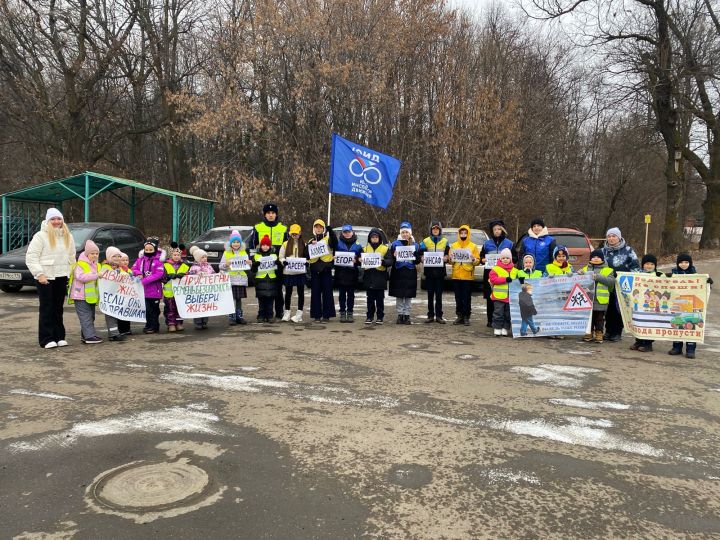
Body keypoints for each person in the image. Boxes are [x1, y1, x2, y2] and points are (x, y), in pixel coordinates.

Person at [25, 208, 76, 349]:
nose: (56, 222)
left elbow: (72, 257)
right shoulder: (40, 236)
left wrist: (72, 272)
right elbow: (31, 257)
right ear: (48, 221)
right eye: (53, 219)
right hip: (45, 277)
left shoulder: (68, 236)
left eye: (58, 219)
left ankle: (59, 336)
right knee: (47, 308)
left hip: (61, 275)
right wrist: (39, 274)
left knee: (58, 308)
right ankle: (46, 338)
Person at [666, 253, 713, 359]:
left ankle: (690, 349)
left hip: (691, 307)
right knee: (678, 327)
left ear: (690, 263)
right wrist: (666, 278)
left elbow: (703, 290)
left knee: (691, 329)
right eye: (681, 262)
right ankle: (677, 347)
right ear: (678, 264)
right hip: (678, 306)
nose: (683, 264)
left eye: (686, 262)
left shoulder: (695, 275)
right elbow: (663, 284)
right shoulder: (673, 274)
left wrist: (708, 283)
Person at [248, 203, 288, 319]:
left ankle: (279, 312)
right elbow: (252, 245)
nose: (271, 215)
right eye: (268, 213)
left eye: (273, 213)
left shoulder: (283, 228)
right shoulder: (258, 227)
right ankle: (263, 312)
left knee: (278, 289)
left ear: (276, 215)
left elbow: (287, 246)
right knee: (262, 290)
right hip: (261, 267)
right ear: (265, 215)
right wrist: (253, 260)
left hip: (277, 264)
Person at [602, 227, 640, 342]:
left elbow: (635, 266)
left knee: (619, 309)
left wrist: (635, 278)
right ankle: (608, 331)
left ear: (619, 237)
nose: (611, 238)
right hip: (607, 284)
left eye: (614, 236)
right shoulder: (603, 251)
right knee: (608, 309)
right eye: (609, 236)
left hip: (622, 284)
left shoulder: (628, 250)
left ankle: (617, 332)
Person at [480, 219, 514, 327]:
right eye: (495, 229)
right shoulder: (486, 243)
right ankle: (490, 320)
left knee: (504, 298)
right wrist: (482, 260)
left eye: (499, 229)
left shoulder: (509, 243)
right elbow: (481, 257)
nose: (497, 231)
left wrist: (510, 261)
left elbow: (516, 257)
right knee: (491, 297)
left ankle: (503, 321)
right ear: (492, 231)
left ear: (503, 230)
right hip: (490, 274)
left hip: (505, 275)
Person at [68, 239, 102, 344]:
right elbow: (81, 277)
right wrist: (96, 275)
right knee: (86, 316)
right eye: (92, 253)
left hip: (91, 297)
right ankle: (89, 337)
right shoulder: (80, 265)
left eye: (97, 253)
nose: (95, 255)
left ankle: (86, 335)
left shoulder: (96, 265)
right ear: (87, 254)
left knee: (91, 316)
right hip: (80, 295)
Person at [387, 221, 421, 324]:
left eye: (407, 232)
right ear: (400, 233)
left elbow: (418, 261)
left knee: (408, 295)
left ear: (410, 233)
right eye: (403, 232)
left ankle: (407, 315)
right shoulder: (394, 244)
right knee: (399, 295)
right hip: (398, 273)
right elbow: (390, 260)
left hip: (410, 273)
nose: (405, 234)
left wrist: (415, 255)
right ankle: (400, 314)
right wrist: (393, 255)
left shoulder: (415, 245)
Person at [578, 248, 615, 343]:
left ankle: (599, 333)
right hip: (587, 299)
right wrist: (579, 274)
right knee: (589, 317)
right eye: (594, 257)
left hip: (600, 300)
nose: (596, 258)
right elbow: (577, 281)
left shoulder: (608, 270)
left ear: (602, 259)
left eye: (598, 257)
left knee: (599, 318)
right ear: (590, 258)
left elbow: (611, 282)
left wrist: (597, 277)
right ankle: (588, 332)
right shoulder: (585, 269)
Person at [131, 237, 166, 334]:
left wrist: (144, 280)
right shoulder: (140, 260)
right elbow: (133, 268)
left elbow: (158, 274)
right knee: (146, 309)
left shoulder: (158, 261)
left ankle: (154, 326)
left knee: (154, 310)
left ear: (155, 249)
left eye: (151, 250)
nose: (148, 251)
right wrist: (138, 273)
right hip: (143, 291)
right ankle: (148, 324)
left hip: (154, 291)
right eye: (146, 250)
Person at [630, 254, 663, 352]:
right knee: (639, 321)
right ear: (643, 265)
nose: (649, 266)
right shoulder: (638, 275)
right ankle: (639, 340)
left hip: (652, 304)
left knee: (650, 322)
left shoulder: (659, 274)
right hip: (640, 304)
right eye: (647, 264)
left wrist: (668, 277)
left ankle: (648, 344)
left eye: (652, 264)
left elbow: (668, 282)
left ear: (655, 266)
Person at [306, 219, 337, 322]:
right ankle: (316, 315)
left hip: (326, 269)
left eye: (320, 227)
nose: (318, 229)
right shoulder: (310, 240)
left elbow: (335, 244)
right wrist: (311, 245)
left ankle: (327, 315)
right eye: (316, 227)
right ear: (314, 228)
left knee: (327, 293)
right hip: (315, 270)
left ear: (323, 229)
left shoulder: (328, 239)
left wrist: (331, 231)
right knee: (315, 293)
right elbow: (306, 254)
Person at [449, 224, 481, 326]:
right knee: (458, 297)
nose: (463, 234)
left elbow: (478, 261)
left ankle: (467, 316)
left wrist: (473, 259)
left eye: (465, 233)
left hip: (468, 275)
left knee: (466, 297)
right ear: (459, 234)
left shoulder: (473, 246)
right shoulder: (454, 245)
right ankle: (459, 316)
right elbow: (451, 261)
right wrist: (450, 258)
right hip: (456, 275)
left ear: (468, 234)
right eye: (461, 233)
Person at [420, 221, 449, 323]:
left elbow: (448, 255)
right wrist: (421, 258)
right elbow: (420, 253)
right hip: (429, 272)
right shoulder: (425, 241)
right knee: (430, 294)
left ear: (440, 230)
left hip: (440, 272)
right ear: (431, 230)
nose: (435, 230)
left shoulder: (445, 241)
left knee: (439, 295)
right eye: (433, 229)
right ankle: (430, 315)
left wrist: (447, 258)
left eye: (437, 229)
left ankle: (439, 316)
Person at [219, 231, 249, 326]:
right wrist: (226, 264)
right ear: (230, 243)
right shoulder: (226, 253)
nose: (236, 244)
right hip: (231, 279)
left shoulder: (243, 252)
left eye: (237, 242)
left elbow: (247, 267)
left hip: (241, 279)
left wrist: (249, 263)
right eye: (234, 242)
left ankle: (239, 317)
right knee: (231, 299)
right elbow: (221, 266)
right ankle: (231, 317)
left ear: (240, 243)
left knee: (239, 299)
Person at [334, 224, 363, 323]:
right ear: (342, 233)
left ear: (352, 232)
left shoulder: (358, 245)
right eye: (345, 232)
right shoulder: (337, 244)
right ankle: (342, 313)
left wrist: (358, 260)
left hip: (352, 273)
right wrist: (334, 259)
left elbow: (361, 259)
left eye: (348, 232)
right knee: (342, 294)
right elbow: (333, 256)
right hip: (341, 273)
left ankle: (350, 313)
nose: (347, 234)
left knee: (351, 295)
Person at [278, 224, 306, 323]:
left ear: (300, 233)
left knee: (300, 293)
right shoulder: (285, 244)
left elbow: (308, 257)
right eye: (293, 234)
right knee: (288, 293)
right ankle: (287, 312)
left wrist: (306, 262)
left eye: (296, 234)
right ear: (290, 234)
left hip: (300, 272)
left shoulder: (304, 244)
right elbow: (281, 256)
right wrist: (283, 261)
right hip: (288, 272)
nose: (294, 235)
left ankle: (299, 313)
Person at [101, 246, 128, 341]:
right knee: (110, 315)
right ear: (109, 257)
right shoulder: (105, 267)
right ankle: (113, 334)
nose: (117, 258)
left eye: (119, 256)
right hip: (109, 296)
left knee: (115, 314)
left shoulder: (120, 268)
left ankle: (115, 332)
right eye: (114, 256)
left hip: (117, 296)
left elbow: (125, 276)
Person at [362, 228, 389, 324]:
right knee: (370, 299)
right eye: (372, 237)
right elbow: (358, 260)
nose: (374, 238)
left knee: (380, 300)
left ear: (379, 238)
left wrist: (383, 262)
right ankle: (369, 316)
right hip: (369, 277)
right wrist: (359, 260)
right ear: (370, 238)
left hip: (380, 277)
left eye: (376, 237)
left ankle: (380, 317)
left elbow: (390, 261)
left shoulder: (385, 248)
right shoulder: (365, 249)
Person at [489, 248, 517, 337]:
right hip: (499, 296)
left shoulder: (515, 270)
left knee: (508, 314)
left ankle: (505, 328)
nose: (505, 260)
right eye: (503, 258)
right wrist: (504, 279)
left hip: (510, 297)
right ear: (500, 259)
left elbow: (517, 280)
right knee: (498, 313)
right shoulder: (496, 269)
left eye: (507, 258)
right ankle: (497, 328)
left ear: (511, 259)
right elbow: (493, 279)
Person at [163, 242, 191, 332]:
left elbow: (189, 276)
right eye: (174, 255)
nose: (176, 256)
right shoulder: (166, 265)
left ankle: (179, 323)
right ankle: (171, 324)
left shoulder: (184, 265)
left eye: (178, 255)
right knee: (170, 309)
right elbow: (162, 276)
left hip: (180, 292)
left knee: (179, 308)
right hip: (169, 292)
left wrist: (183, 275)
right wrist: (167, 277)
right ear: (171, 255)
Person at [252, 235, 279, 323]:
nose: (265, 247)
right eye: (263, 245)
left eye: (267, 245)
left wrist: (277, 262)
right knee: (261, 301)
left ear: (270, 246)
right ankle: (261, 315)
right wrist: (256, 264)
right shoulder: (256, 256)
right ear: (260, 246)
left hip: (271, 280)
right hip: (260, 281)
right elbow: (253, 270)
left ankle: (270, 315)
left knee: (270, 300)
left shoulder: (274, 255)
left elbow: (278, 268)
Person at [187, 246, 215, 329]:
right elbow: (190, 278)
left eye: (206, 256)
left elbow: (214, 275)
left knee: (206, 306)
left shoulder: (209, 266)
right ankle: (198, 322)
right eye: (202, 257)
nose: (205, 258)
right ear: (197, 258)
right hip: (197, 291)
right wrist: (197, 275)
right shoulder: (194, 268)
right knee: (198, 307)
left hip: (206, 290)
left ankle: (205, 321)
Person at [117, 252, 133, 336]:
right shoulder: (118, 270)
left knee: (127, 312)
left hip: (128, 295)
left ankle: (127, 328)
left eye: (127, 260)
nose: (125, 262)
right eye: (123, 260)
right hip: (120, 295)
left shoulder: (129, 270)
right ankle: (121, 329)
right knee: (121, 313)